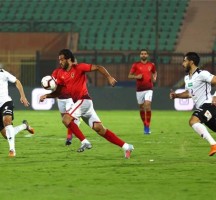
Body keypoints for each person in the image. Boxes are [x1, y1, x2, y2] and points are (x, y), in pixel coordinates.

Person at [39, 49, 134, 159]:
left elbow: (98, 67)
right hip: (81, 104)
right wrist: (47, 95)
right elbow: (58, 91)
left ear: (68, 59)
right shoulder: (60, 73)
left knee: (66, 119)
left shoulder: (79, 68)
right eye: (59, 60)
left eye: (62, 60)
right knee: (100, 129)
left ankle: (84, 142)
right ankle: (127, 147)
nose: (60, 62)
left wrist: (109, 77)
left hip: (84, 100)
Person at [170, 52, 216, 156]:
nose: (183, 63)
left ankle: (213, 145)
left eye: (185, 61)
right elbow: (188, 93)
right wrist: (176, 96)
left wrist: (215, 96)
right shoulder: (187, 78)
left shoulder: (202, 74)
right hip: (202, 107)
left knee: (193, 121)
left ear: (191, 62)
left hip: (208, 105)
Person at [0, 66, 34, 157]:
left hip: (5, 102)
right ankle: (24, 126)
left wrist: (22, 96)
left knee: (7, 121)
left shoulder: (2, 73)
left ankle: (12, 150)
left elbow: (17, 81)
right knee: (7, 135)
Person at [51, 58, 82, 146]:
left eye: (75, 63)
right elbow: (53, 84)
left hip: (70, 98)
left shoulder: (76, 73)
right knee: (64, 120)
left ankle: (69, 137)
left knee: (68, 118)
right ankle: (77, 121)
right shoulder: (56, 72)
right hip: (60, 99)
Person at [128, 49, 157, 134]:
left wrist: (154, 78)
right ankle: (145, 124)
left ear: (147, 55)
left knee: (147, 105)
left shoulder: (151, 65)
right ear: (140, 55)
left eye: (145, 54)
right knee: (141, 107)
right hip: (139, 90)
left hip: (149, 88)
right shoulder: (136, 65)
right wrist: (136, 76)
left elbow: (155, 72)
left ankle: (147, 126)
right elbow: (129, 76)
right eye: (142, 54)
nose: (143, 55)